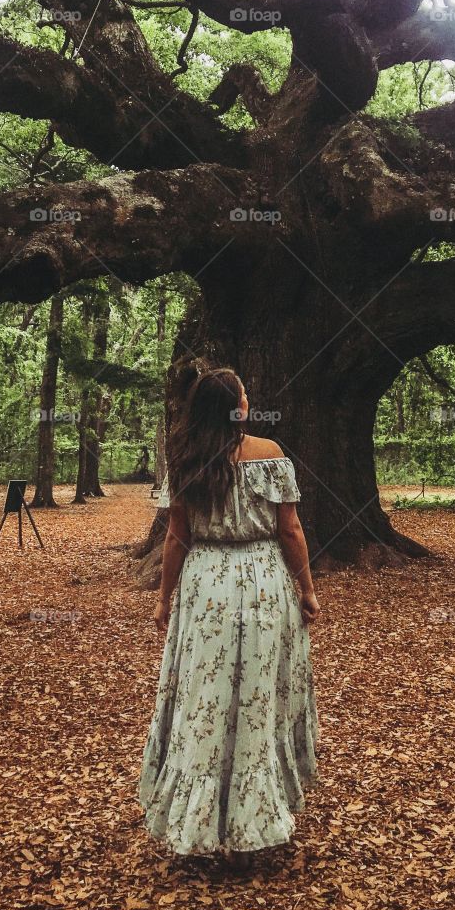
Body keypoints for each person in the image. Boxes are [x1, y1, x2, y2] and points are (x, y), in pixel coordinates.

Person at [138, 366, 321, 869]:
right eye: (245, 392)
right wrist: (306, 589)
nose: (250, 396)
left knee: (205, 699)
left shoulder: (186, 460)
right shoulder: (270, 455)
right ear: (238, 407)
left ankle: (199, 824)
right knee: (259, 697)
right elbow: (290, 532)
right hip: (264, 581)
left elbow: (176, 537)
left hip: (205, 587)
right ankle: (254, 823)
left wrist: (164, 598)